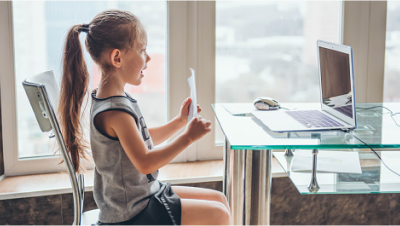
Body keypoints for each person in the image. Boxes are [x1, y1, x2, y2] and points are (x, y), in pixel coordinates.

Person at [58, 9, 231, 226]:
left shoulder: (114, 99)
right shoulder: (115, 111)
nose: (148, 58)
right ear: (117, 57)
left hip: (143, 196)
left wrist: (179, 122)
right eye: (142, 50)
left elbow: (140, 141)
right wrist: (188, 137)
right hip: (131, 212)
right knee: (219, 215)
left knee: (220, 200)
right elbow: (145, 163)